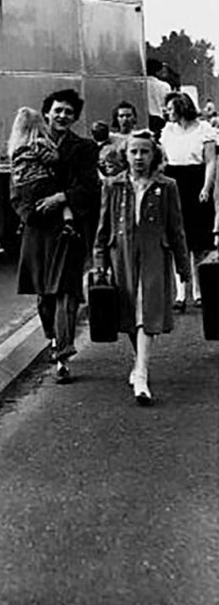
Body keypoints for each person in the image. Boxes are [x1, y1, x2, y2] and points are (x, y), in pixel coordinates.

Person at [93, 130, 189, 405]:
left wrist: (183, 265)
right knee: (128, 312)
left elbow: (176, 227)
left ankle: (142, 374)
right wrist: (99, 261)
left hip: (154, 255)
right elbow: (103, 228)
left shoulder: (167, 186)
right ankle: (139, 362)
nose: (138, 157)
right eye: (133, 151)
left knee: (146, 310)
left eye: (144, 152)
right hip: (121, 255)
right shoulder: (113, 186)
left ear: (153, 155)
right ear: (125, 155)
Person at [16, 89, 99, 383]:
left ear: (75, 117)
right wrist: (28, 213)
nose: (63, 116)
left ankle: (63, 355)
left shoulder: (85, 148)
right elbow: (16, 185)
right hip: (38, 227)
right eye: (58, 110)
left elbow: (90, 188)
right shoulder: (27, 144)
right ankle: (53, 338)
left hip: (69, 228)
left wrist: (61, 198)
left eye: (69, 112)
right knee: (44, 295)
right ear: (47, 113)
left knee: (65, 290)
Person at [160, 91, 217, 311]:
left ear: (182, 108)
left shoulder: (205, 130)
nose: (168, 112)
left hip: (196, 180)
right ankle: (181, 294)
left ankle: (199, 292)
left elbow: (211, 161)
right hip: (174, 182)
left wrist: (206, 187)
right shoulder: (167, 131)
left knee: (199, 243)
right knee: (177, 239)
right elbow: (163, 160)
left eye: (171, 108)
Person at [7, 106, 74, 228]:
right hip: (41, 182)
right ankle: (68, 223)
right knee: (63, 197)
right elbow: (52, 159)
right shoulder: (38, 143)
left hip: (23, 185)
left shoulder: (16, 149)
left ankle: (24, 223)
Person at [146, 58, 172, 139]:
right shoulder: (164, 86)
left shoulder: (139, 86)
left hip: (144, 118)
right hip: (159, 119)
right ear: (158, 71)